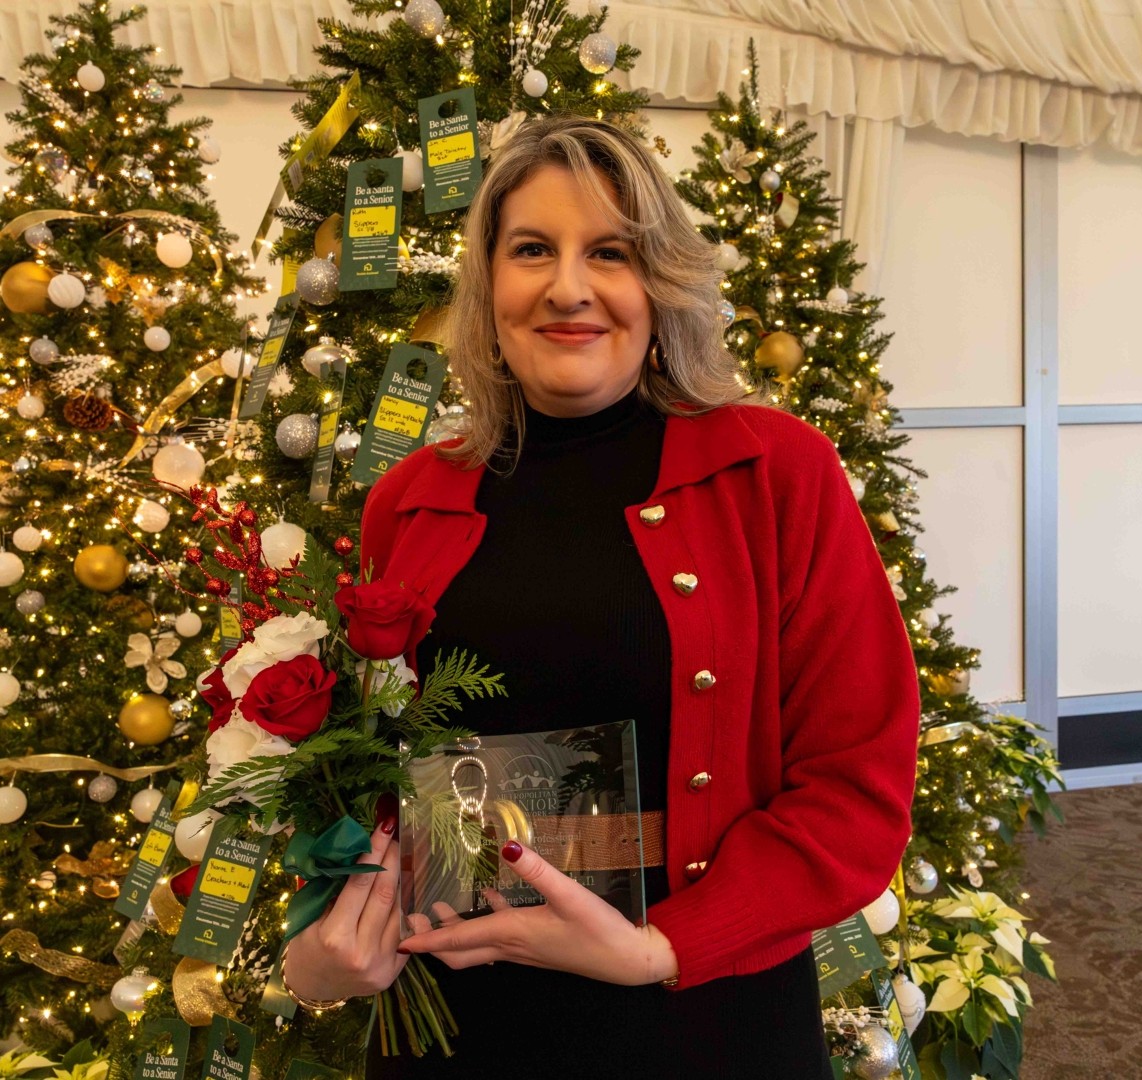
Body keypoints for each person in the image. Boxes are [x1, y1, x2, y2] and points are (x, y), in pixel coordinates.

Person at [282, 114, 920, 1078]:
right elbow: (368, 778)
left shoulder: (777, 474)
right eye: (532, 249)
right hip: (458, 1018)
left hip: (701, 1015)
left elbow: (857, 784)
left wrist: (662, 948)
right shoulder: (406, 502)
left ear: (659, 280)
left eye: (610, 252)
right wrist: (322, 943)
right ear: (488, 281)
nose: (568, 287)